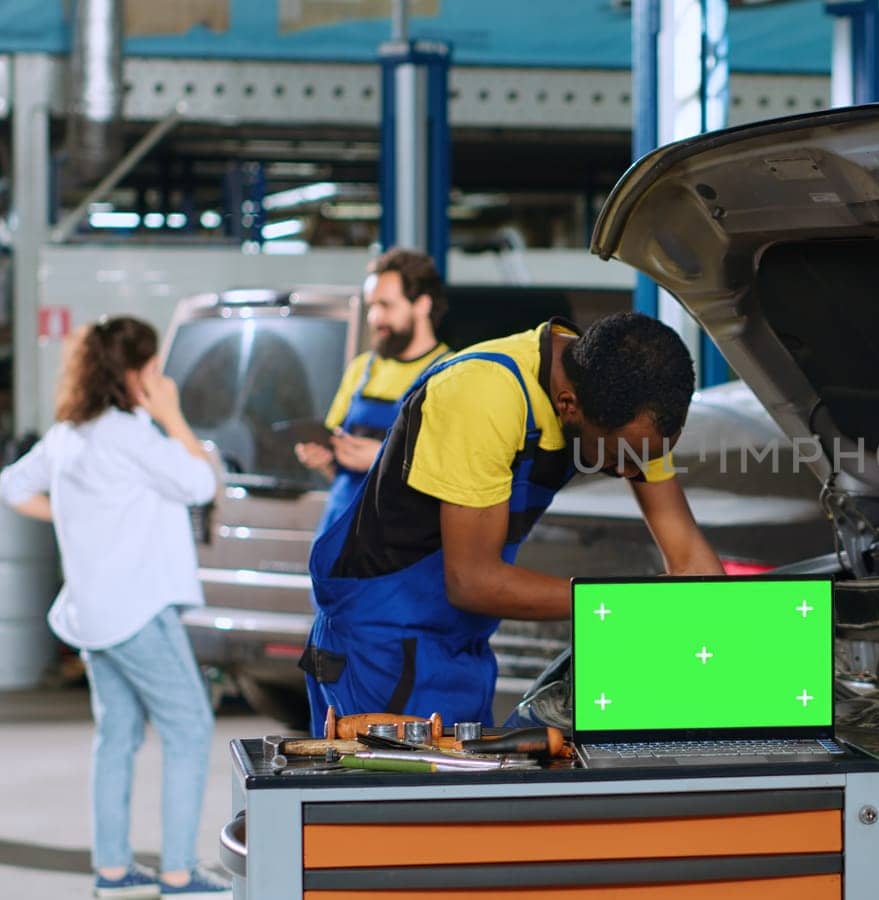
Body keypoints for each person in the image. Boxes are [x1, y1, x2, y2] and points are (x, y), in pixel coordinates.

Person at [301, 313, 724, 734]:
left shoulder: (621, 400)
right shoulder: (483, 394)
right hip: (382, 645)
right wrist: (617, 606)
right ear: (568, 406)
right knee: (412, 799)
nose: (632, 468)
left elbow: (692, 565)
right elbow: (472, 581)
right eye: (621, 456)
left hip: (459, 645)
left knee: (473, 795)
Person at [0, 317, 229, 898]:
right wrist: (172, 415)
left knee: (118, 735)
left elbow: (11, 485)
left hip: (91, 615)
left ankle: (112, 871)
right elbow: (203, 483)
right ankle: (178, 874)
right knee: (190, 727)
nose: (160, 377)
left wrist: (71, 517)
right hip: (138, 612)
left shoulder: (67, 435)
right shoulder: (133, 436)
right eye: (153, 368)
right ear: (133, 373)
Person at [294, 248, 451, 533]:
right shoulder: (361, 369)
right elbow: (337, 465)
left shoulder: (451, 374)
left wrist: (384, 460)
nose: (374, 317)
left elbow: (455, 476)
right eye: (371, 306)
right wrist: (323, 458)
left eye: (386, 305)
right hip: (341, 535)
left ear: (423, 305)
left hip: (400, 547)